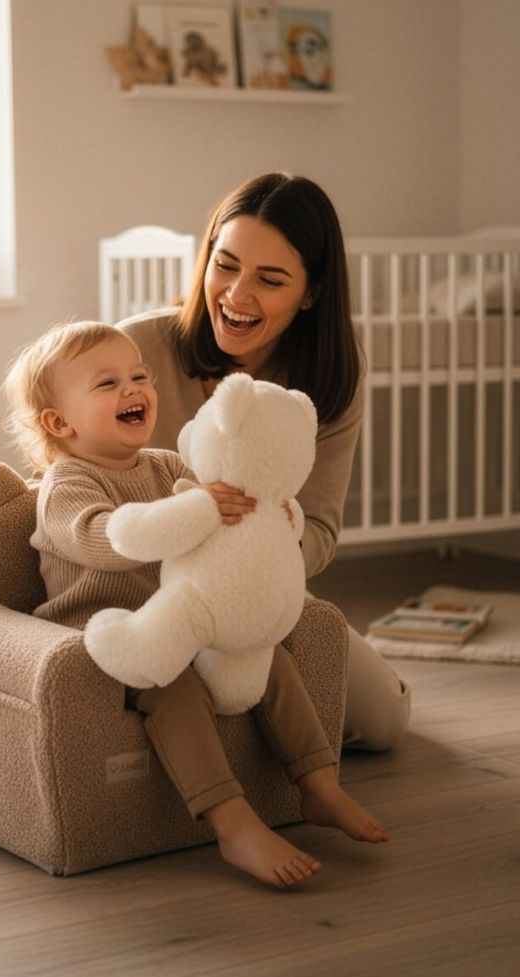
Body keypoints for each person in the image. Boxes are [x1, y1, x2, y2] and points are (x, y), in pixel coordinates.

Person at [3, 319, 389, 890]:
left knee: (266, 652)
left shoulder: (168, 466)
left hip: (185, 618)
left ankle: (318, 785)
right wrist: (200, 511)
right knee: (172, 686)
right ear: (60, 422)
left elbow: (228, 516)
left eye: (139, 375)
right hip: (110, 638)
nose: (133, 389)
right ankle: (231, 822)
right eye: (107, 384)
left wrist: (277, 517)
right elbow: (105, 539)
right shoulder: (67, 483)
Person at [117, 172, 411, 752]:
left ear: (311, 292)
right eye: (224, 265)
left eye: (269, 280)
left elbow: (321, 532)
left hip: (254, 593)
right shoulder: (136, 349)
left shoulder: (331, 382)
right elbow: (67, 479)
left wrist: (257, 541)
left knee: (383, 719)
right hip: (138, 584)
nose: (235, 295)